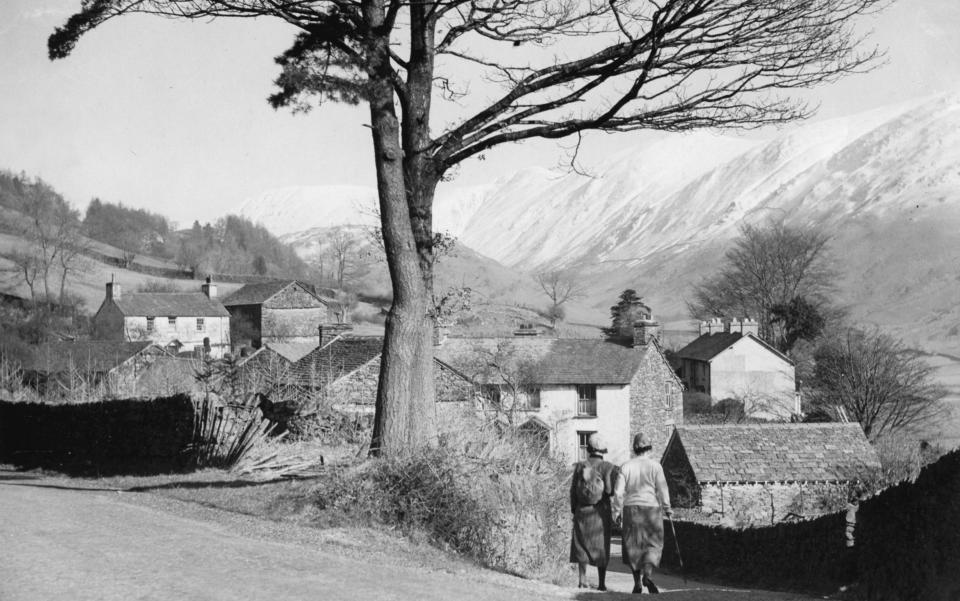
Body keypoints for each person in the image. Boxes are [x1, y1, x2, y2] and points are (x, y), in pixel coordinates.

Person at [612, 432, 672, 594]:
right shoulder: (655, 466)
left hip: (631, 509)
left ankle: (637, 582)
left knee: (633, 545)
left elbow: (618, 492)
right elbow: (662, 489)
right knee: (652, 544)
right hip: (651, 508)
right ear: (649, 449)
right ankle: (648, 575)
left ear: (634, 449)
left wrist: (616, 512)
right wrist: (667, 507)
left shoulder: (626, 466)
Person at [570, 433, 618, 591]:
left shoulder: (580, 466)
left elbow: (572, 491)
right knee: (601, 546)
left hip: (582, 510)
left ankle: (582, 580)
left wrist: (574, 509)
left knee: (581, 544)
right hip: (600, 511)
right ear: (602, 449)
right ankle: (602, 583)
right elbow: (610, 491)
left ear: (589, 449)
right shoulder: (607, 467)